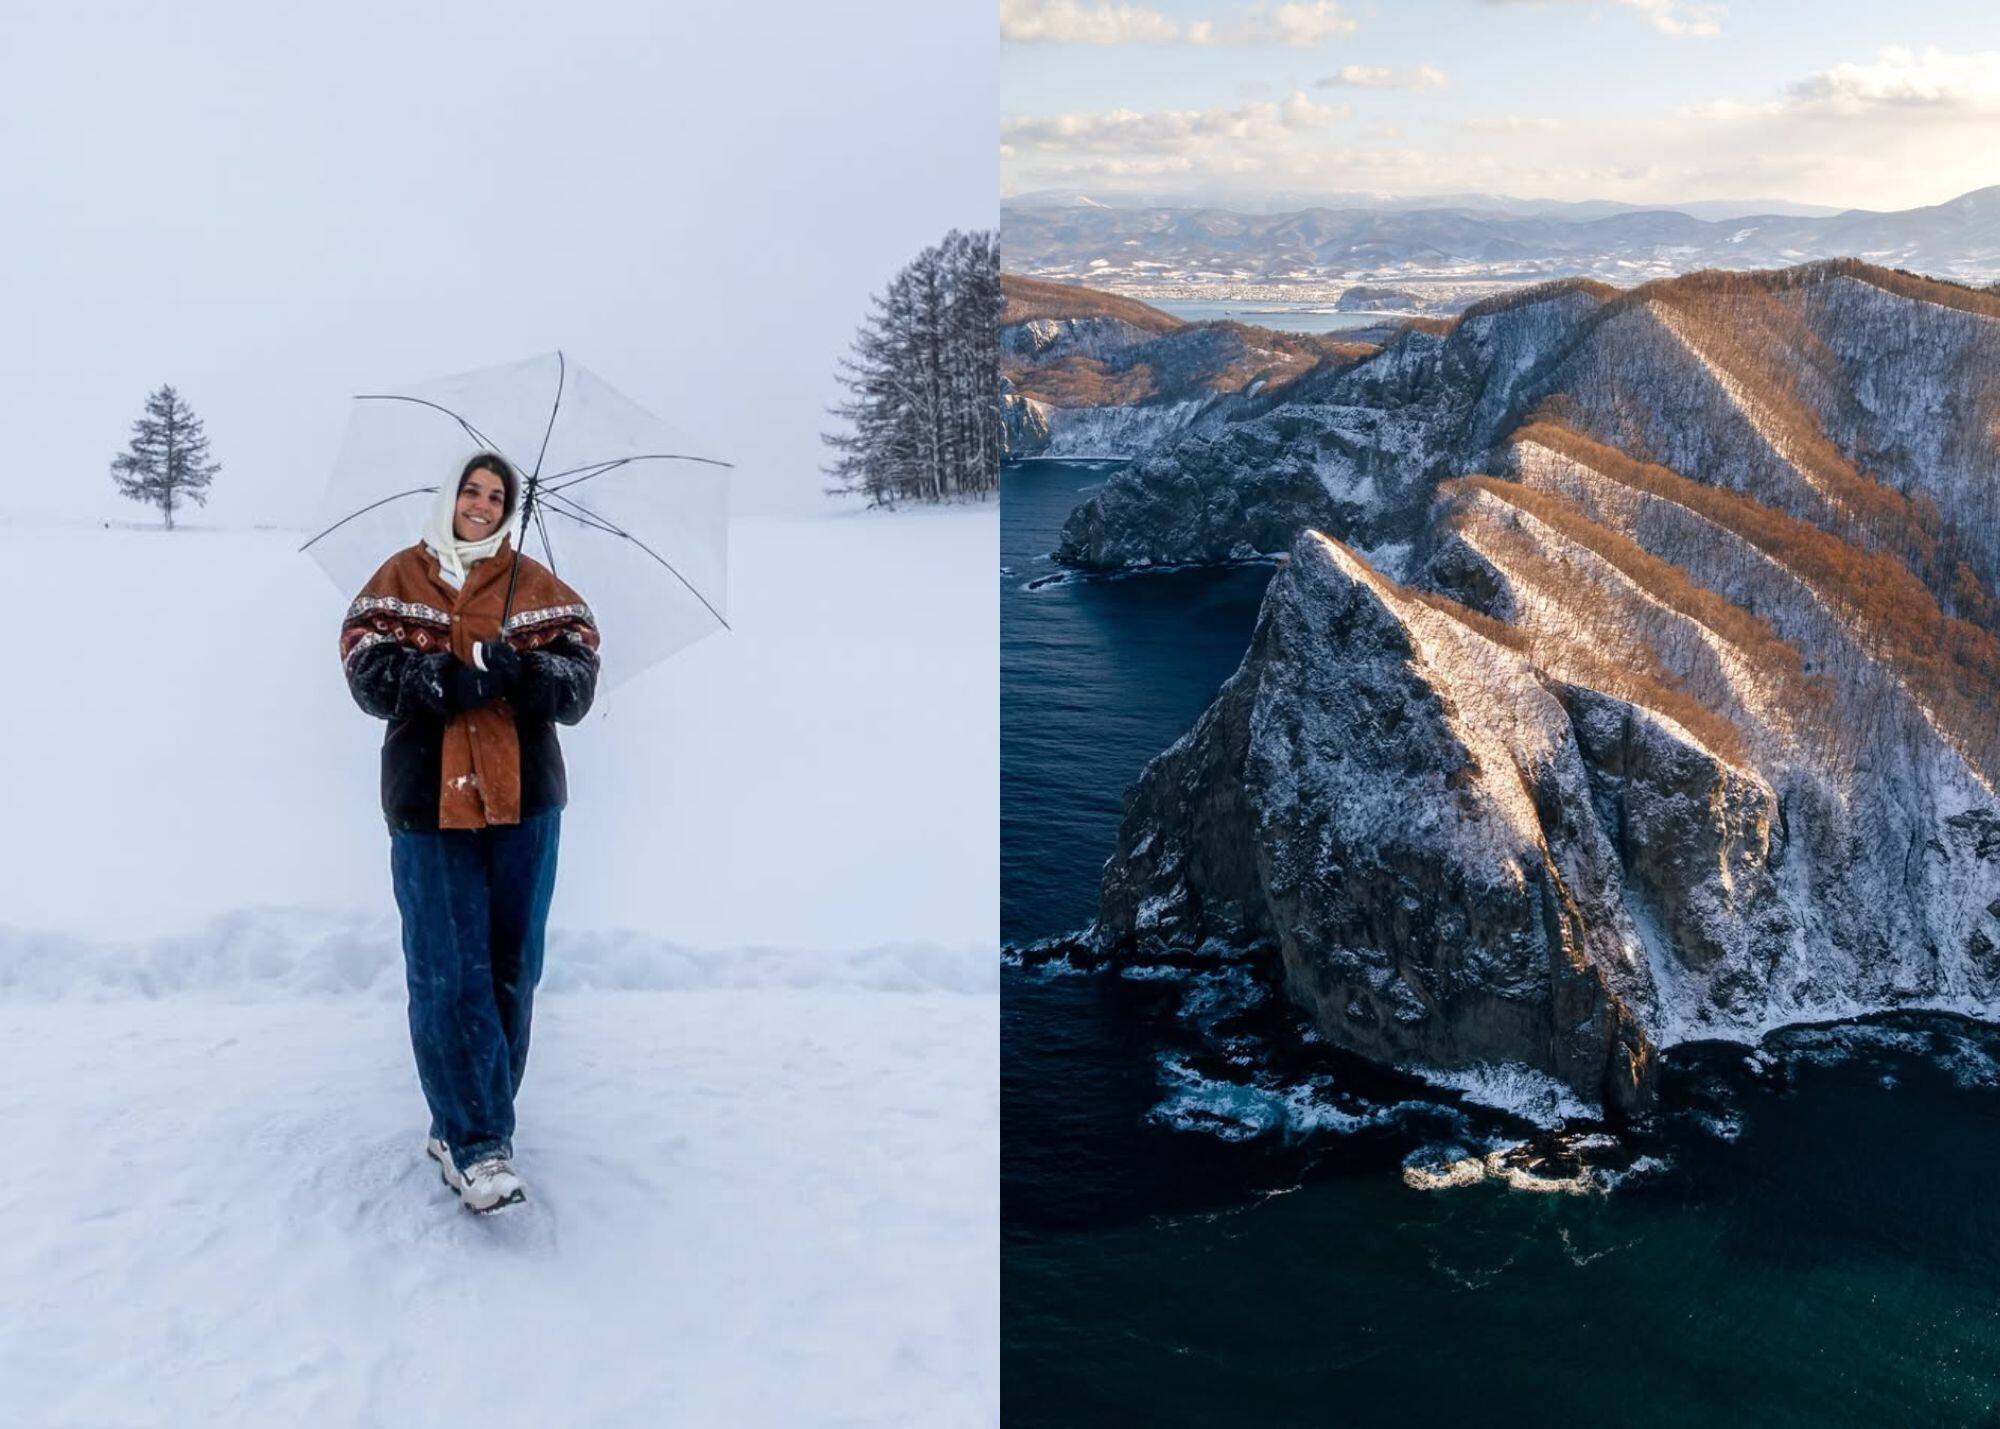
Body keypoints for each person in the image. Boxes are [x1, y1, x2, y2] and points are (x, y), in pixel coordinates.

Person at [338, 452, 600, 1213]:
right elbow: (363, 669)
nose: (482, 505)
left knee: (512, 970)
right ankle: (479, 1143)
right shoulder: (397, 579)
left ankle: (467, 1124)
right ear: (447, 495)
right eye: (471, 490)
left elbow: (580, 686)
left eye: (496, 496)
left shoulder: (541, 589)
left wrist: (526, 675)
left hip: (526, 804)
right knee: (448, 971)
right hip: (429, 803)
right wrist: (439, 680)